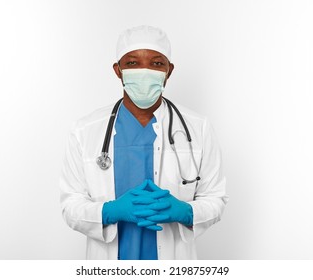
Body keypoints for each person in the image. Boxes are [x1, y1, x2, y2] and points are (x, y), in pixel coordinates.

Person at [59, 25, 228, 260]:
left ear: (169, 70)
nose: (145, 71)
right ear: (117, 70)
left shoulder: (198, 127)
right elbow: (71, 205)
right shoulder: (86, 130)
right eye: (132, 63)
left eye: (157, 63)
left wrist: (186, 212)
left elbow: (215, 198)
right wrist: (109, 212)